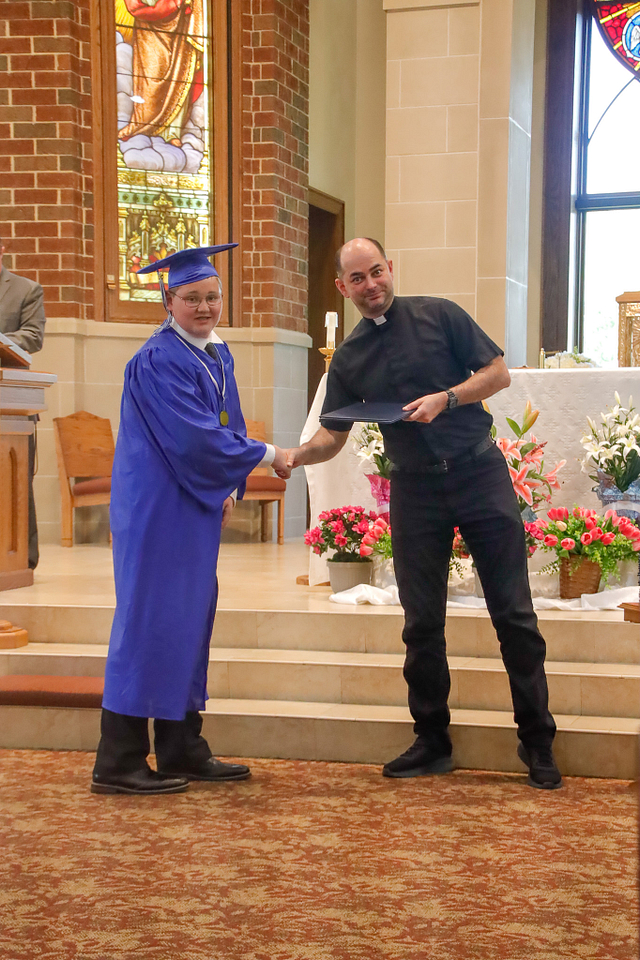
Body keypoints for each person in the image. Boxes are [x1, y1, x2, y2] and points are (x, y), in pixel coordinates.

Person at [287, 238, 561, 790]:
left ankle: (537, 741)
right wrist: (293, 455)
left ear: (391, 268)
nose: (371, 285)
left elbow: (498, 373)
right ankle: (432, 740)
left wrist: (448, 398)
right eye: (357, 279)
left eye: (376, 271)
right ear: (342, 287)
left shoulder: (441, 315)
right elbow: (332, 436)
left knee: (514, 614)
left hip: (478, 474)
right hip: (414, 489)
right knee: (421, 623)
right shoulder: (350, 357)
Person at [92, 243, 291, 795]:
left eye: (212, 296)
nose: (204, 307)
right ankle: (118, 759)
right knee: (148, 623)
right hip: (158, 508)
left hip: (192, 502)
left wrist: (225, 484)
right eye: (191, 298)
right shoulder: (158, 360)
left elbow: (227, 421)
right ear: (168, 300)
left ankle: (182, 746)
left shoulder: (214, 353)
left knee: (187, 621)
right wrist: (269, 455)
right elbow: (193, 438)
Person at [0, 235, 46, 570]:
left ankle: (20, 559)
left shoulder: (26, 289)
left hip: (8, 401)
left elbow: (32, 336)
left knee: (13, 483)